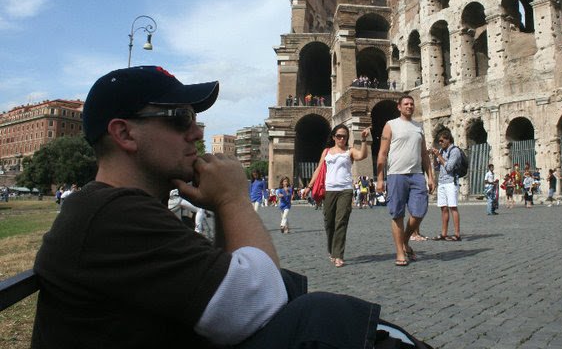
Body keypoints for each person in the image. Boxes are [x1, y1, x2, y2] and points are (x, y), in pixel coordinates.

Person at [32, 65, 428, 349]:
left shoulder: (124, 209)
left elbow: (228, 283)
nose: (197, 130)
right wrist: (231, 197)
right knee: (320, 315)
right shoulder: (112, 216)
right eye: (180, 117)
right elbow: (258, 300)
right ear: (123, 133)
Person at [376, 95, 435, 267]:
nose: (409, 106)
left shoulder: (419, 127)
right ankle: (400, 252)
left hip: (416, 174)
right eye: (406, 104)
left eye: (411, 104)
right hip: (396, 174)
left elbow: (424, 154)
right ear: (399, 107)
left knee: (418, 213)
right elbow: (382, 153)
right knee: (398, 214)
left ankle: (405, 240)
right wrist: (380, 178)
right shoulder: (391, 125)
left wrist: (430, 177)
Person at [304, 124, 371, 268]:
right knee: (329, 222)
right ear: (334, 137)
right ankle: (331, 250)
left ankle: (338, 255)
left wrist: (364, 140)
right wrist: (309, 187)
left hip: (345, 190)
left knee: (341, 221)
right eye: (339, 136)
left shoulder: (350, 151)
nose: (342, 138)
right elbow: (318, 169)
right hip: (329, 190)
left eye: (344, 136)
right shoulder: (327, 151)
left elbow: (363, 155)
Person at [429, 129, 461, 241]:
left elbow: (449, 167)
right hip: (442, 182)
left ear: (448, 139)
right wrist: (435, 156)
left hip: (451, 182)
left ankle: (457, 234)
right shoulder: (442, 151)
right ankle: (444, 234)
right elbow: (438, 167)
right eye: (439, 141)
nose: (440, 143)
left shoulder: (455, 151)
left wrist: (439, 155)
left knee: (453, 207)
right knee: (443, 208)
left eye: (442, 141)